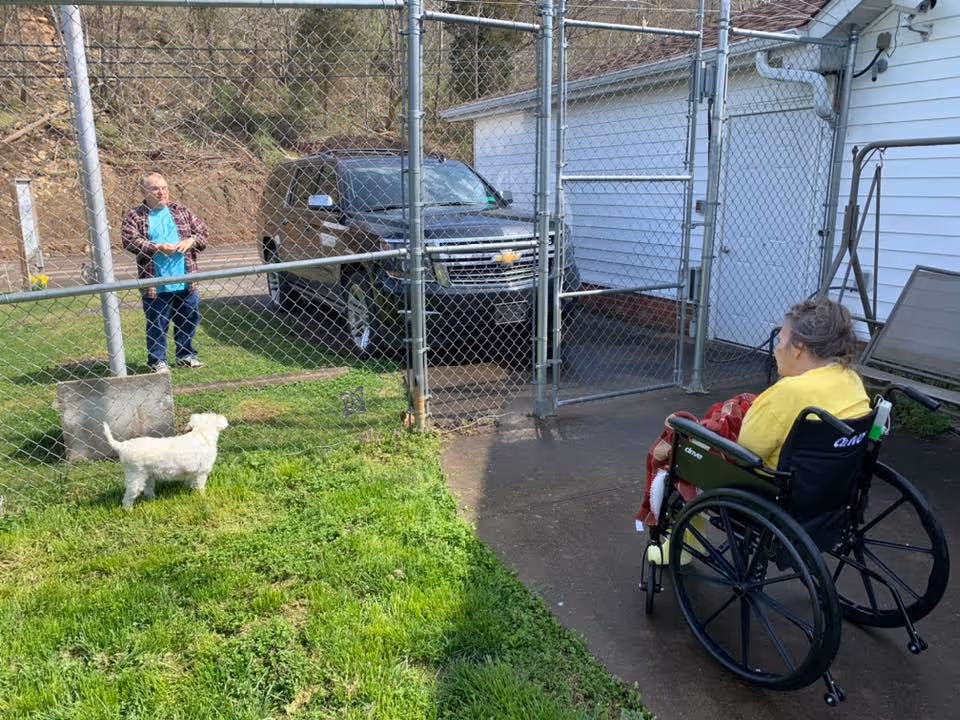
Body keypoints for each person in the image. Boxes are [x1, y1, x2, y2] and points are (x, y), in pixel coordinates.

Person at [643, 297, 871, 564]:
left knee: (680, 452)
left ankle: (681, 546)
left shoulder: (790, 392)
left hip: (772, 497)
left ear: (798, 348)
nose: (776, 350)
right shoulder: (852, 380)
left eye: (780, 340)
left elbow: (746, 449)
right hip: (830, 494)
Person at [121, 173, 209, 373]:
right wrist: (157, 247)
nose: (161, 192)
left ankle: (185, 355)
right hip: (156, 281)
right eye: (155, 189)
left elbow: (203, 232)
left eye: (164, 188)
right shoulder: (135, 216)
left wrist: (191, 241)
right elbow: (129, 240)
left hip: (186, 278)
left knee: (188, 318)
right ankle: (157, 360)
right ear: (143, 191)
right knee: (157, 323)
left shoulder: (181, 211)